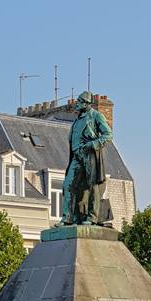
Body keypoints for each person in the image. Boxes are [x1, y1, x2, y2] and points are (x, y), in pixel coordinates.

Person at [60, 91, 113, 226]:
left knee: (93, 186)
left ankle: (92, 217)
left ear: (86, 103)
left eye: (79, 102)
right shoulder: (77, 120)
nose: (76, 104)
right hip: (76, 157)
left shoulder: (96, 116)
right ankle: (67, 218)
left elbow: (108, 134)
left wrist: (93, 144)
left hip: (89, 155)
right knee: (68, 185)